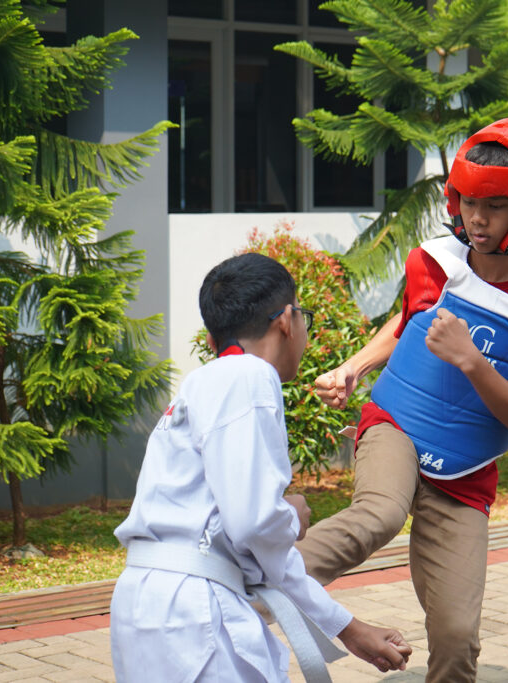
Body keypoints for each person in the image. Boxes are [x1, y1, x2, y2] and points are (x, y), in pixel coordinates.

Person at [296, 117, 508, 682]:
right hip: (397, 424)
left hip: (468, 471)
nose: (477, 219)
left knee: (457, 636)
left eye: (495, 205)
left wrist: (472, 361)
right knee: (378, 514)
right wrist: (353, 366)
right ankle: (255, 580)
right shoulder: (435, 262)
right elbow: (410, 322)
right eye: (468, 201)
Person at [110, 252, 412, 683]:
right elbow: (253, 525)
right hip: (191, 610)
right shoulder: (249, 377)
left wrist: (351, 630)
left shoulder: (204, 382)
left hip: (148, 602)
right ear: (287, 320)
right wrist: (291, 515)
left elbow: (264, 551)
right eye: (303, 316)